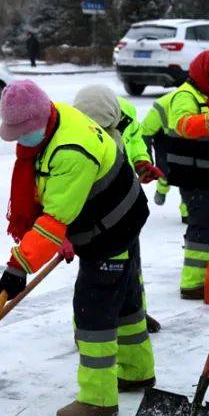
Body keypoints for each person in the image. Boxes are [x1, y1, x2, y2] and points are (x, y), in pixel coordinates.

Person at [0, 80, 153, 416]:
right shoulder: (57, 116)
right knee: (124, 303)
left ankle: (98, 398)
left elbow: (55, 217)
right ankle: (137, 372)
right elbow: (54, 196)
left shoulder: (70, 150)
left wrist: (19, 266)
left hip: (110, 228)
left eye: (23, 132)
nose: (20, 141)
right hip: (121, 216)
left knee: (93, 312)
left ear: (38, 121)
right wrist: (63, 231)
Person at [74, 85, 166, 334]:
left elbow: (134, 140)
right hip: (92, 212)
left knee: (131, 264)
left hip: (123, 205)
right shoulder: (74, 131)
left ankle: (135, 315)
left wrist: (141, 162)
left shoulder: (124, 115)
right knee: (93, 274)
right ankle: (86, 324)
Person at [151, 50, 209, 298]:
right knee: (202, 226)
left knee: (206, 224)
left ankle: (197, 278)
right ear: (203, 74)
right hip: (195, 174)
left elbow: (207, 107)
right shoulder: (184, 96)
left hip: (207, 172)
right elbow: (184, 125)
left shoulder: (203, 94)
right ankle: (193, 283)